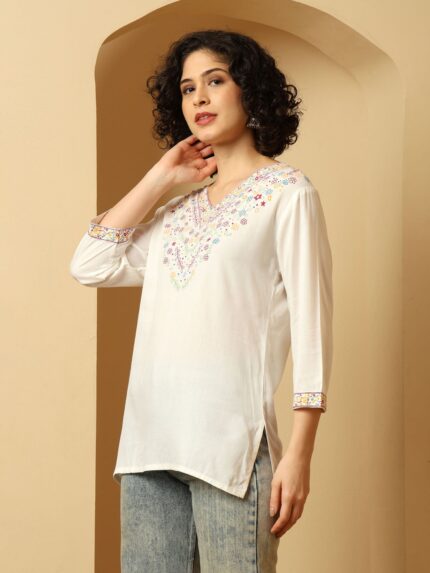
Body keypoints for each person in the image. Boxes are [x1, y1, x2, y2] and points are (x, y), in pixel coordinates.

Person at [70, 28, 334, 573]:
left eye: (215, 81)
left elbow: (313, 326)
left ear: (249, 90)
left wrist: (300, 453)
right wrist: (161, 177)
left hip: (230, 451)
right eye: (188, 89)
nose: (199, 98)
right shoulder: (177, 214)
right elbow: (89, 264)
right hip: (148, 452)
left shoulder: (288, 195)